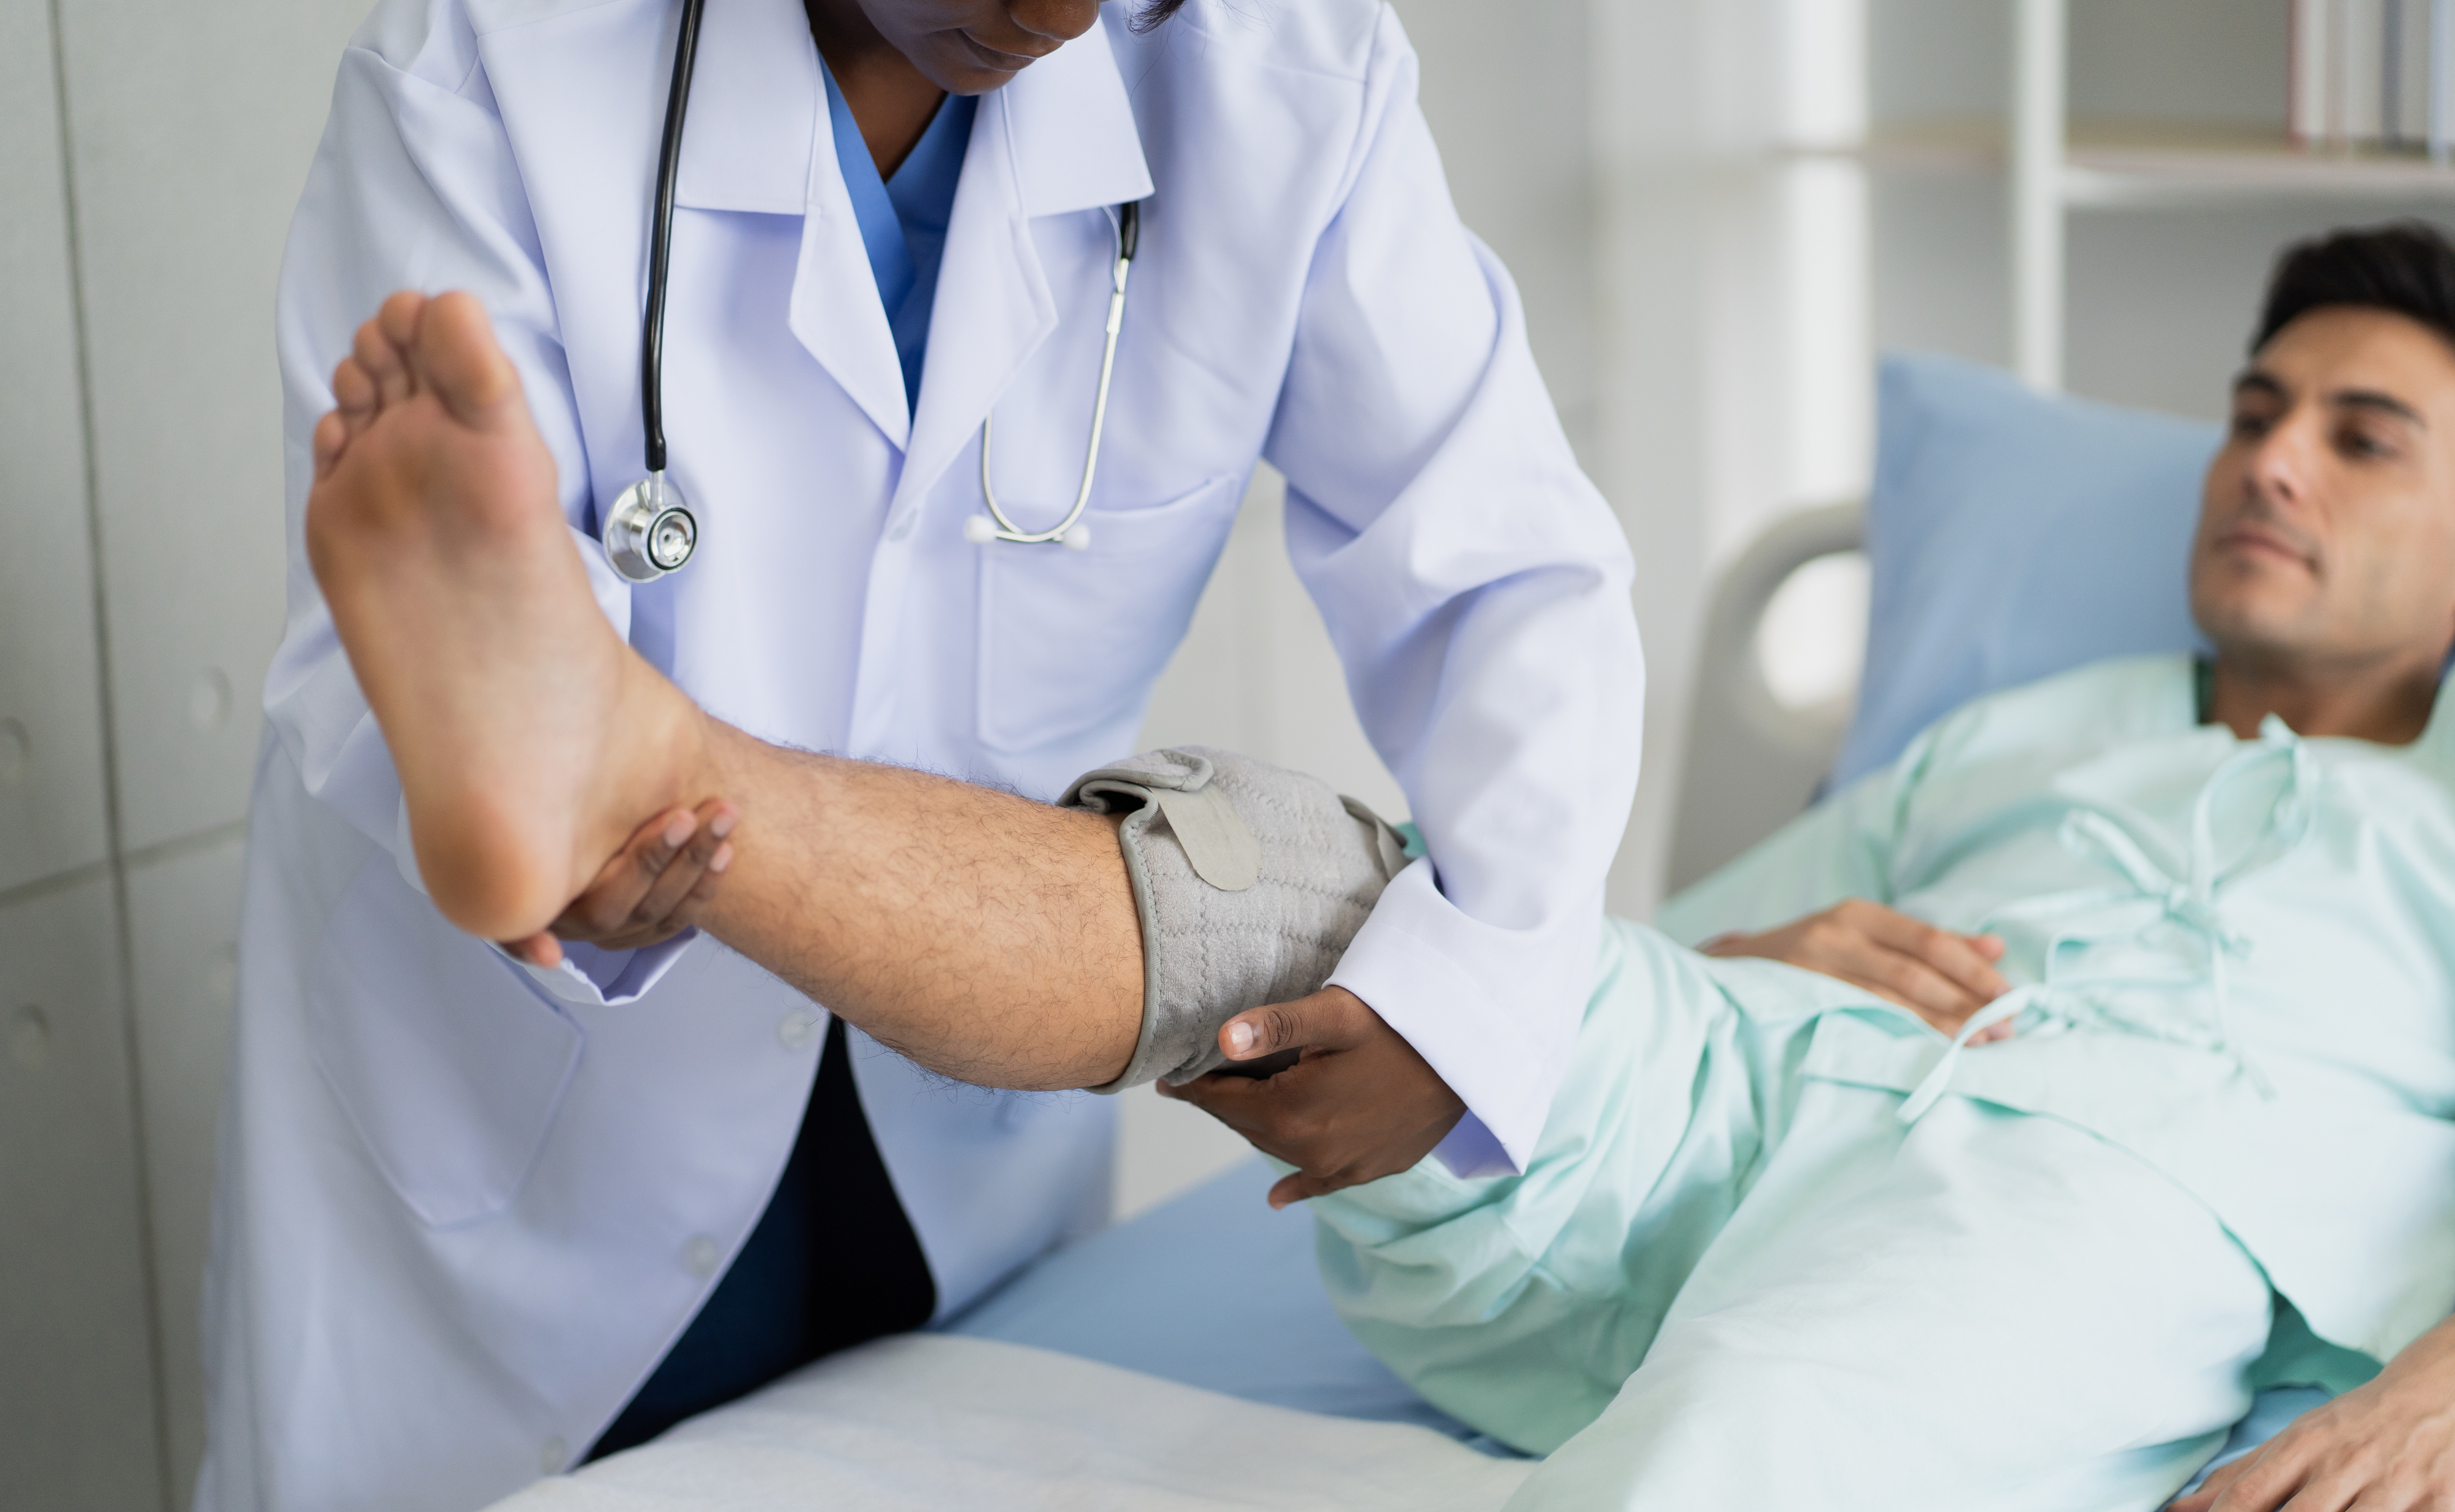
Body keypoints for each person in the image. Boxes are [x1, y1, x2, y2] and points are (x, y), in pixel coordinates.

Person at [300, 220, 2455, 1510]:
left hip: (2103, 1157)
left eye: (2361, 439)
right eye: (2255, 410)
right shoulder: (2019, 736)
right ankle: (642, 780)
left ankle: (632, 771)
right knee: (1295, 888)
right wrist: (1754, 945)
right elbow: (1607, 965)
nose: (2269, 460)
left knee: (1774, 1420)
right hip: (1738, 1079)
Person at [223, 0, 1640, 1504]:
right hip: (534, 1125)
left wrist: (1464, 1001)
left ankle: (613, 756)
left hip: (954, 1064)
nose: (1054, 15)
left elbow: (1504, 571)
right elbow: (355, 682)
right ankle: (572, 749)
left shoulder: (1277, 66)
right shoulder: (502, 55)